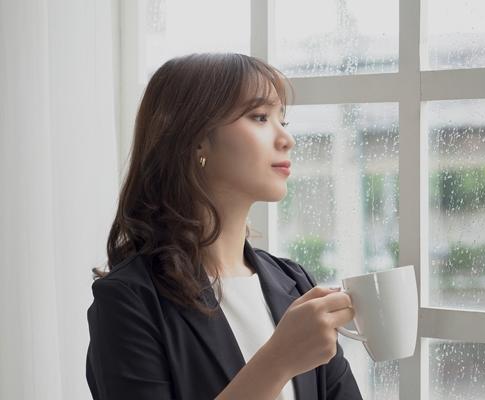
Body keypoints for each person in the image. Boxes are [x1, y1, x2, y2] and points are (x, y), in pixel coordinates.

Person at [85, 52, 363, 400]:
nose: (286, 139)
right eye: (260, 117)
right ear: (196, 138)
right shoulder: (128, 301)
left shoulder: (294, 284)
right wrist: (277, 361)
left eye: (283, 121)